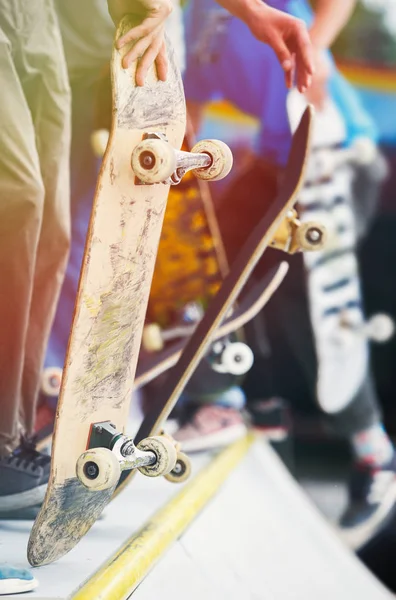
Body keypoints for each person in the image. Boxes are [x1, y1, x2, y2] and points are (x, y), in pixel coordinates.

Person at [177, 0, 396, 550]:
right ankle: (235, 401)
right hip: (276, 162)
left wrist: (316, 46)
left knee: (309, 306)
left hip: (337, 154)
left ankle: (376, 455)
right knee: (211, 258)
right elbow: (192, 111)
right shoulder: (194, 19)